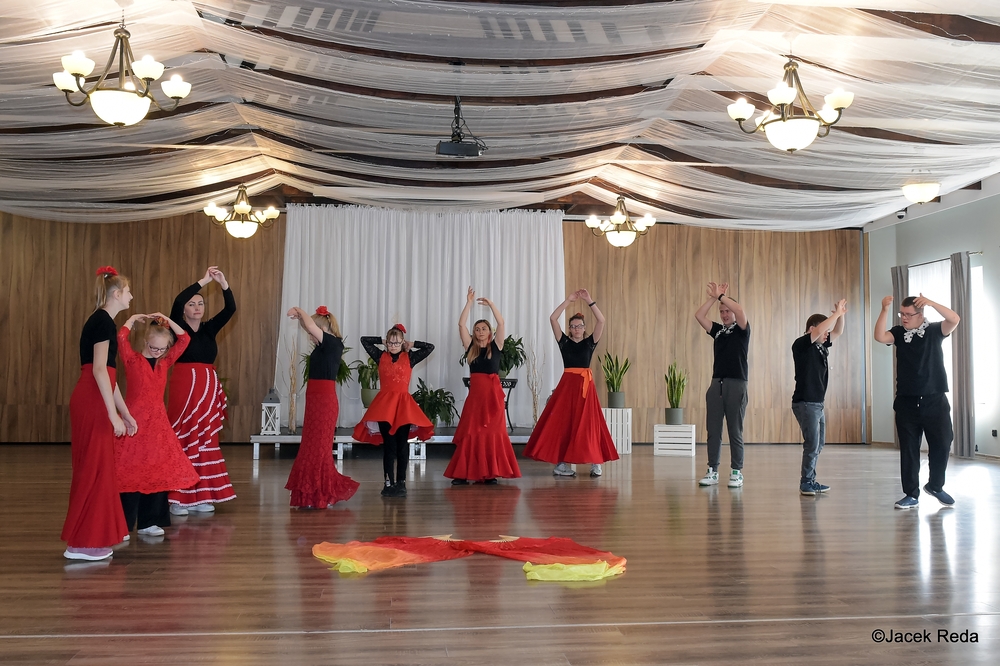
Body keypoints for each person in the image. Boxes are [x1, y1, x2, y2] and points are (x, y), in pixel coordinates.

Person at [62, 266, 136, 561]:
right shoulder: (103, 322)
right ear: (116, 294)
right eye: (128, 291)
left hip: (95, 397)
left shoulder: (103, 321)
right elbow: (98, 371)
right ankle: (82, 544)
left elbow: (109, 376)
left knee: (99, 469)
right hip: (92, 400)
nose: (131, 296)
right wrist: (112, 414)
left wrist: (124, 413)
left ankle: (90, 539)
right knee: (92, 470)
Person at [116, 312, 200, 536]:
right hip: (134, 422)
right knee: (130, 472)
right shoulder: (132, 360)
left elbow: (185, 339)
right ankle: (122, 525)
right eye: (154, 347)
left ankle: (149, 522)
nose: (158, 352)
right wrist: (131, 320)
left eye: (162, 349)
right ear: (146, 342)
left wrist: (166, 319)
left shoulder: (165, 362)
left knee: (156, 472)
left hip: (157, 425)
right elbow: (121, 338)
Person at [874, 294, 960, 509]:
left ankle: (935, 486)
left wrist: (932, 303)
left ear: (921, 315)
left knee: (943, 443)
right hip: (907, 402)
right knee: (909, 450)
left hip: (935, 400)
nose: (904, 318)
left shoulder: (935, 330)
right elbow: (879, 337)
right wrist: (884, 309)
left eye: (908, 314)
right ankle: (911, 494)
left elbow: (954, 319)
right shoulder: (898, 333)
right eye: (901, 314)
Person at [523, 289, 618, 477]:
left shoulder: (590, 342)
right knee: (564, 423)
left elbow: (601, 321)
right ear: (569, 329)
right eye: (573, 326)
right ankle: (561, 465)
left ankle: (595, 462)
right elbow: (553, 318)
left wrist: (589, 300)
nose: (576, 329)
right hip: (567, 387)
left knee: (589, 423)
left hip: (585, 389)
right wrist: (568, 300)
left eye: (579, 326)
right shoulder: (564, 342)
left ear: (584, 327)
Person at [167, 266, 237, 515]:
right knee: (184, 436)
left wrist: (223, 283)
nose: (197, 307)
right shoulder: (177, 327)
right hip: (184, 387)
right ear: (184, 310)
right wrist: (204, 281)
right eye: (192, 304)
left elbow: (230, 309)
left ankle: (202, 495)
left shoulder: (209, 328)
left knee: (206, 438)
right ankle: (177, 498)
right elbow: (177, 301)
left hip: (207, 388)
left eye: (200, 304)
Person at [284, 306, 360, 508]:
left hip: (324, 402)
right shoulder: (321, 346)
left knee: (318, 450)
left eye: (313, 332)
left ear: (323, 329)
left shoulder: (333, 343)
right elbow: (308, 326)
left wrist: (299, 310)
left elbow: (310, 326)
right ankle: (311, 494)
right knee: (310, 447)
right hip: (314, 401)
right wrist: (300, 318)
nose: (309, 336)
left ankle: (318, 495)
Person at [445, 288, 521, 485]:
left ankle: (490, 473)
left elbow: (501, 323)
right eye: (477, 329)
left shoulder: (497, 345)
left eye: (484, 328)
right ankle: (463, 473)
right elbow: (461, 324)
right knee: (472, 433)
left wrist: (491, 305)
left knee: (492, 433)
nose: (480, 331)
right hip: (476, 398)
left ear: (490, 332)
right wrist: (469, 302)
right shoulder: (470, 347)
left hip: (493, 397)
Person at [352, 325, 434, 498]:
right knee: (389, 446)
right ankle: (388, 482)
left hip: (403, 406)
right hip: (385, 407)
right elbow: (364, 340)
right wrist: (382, 341)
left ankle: (401, 482)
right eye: (390, 342)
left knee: (402, 445)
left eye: (397, 342)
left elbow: (429, 347)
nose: (393, 345)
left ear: (403, 342)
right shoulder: (380, 356)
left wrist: (412, 344)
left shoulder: (410, 357)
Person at [694, 281, 750, 488]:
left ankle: (736, 471)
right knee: (713, 430)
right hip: (716, 384)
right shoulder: (718, 331)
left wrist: (721, 296)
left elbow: (740, 310)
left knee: (735, 430)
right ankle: (712, 470)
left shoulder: (742, 329)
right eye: (722, 311)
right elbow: (699, 315)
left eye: (728, 311)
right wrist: (713, 298)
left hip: (737, 384)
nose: (725, 314)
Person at [791, 299, 847, 496]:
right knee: (812, 444)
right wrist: (835, 315)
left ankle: (811, 479)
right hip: (806, 403)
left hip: (817, 404)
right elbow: (821, 330)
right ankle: (806, 482)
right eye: (824, 331)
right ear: (812, 329)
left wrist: (841, 315)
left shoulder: (821, 346)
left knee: (819, 443)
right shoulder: (802, 344)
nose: (827, 335)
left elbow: (838, 331)